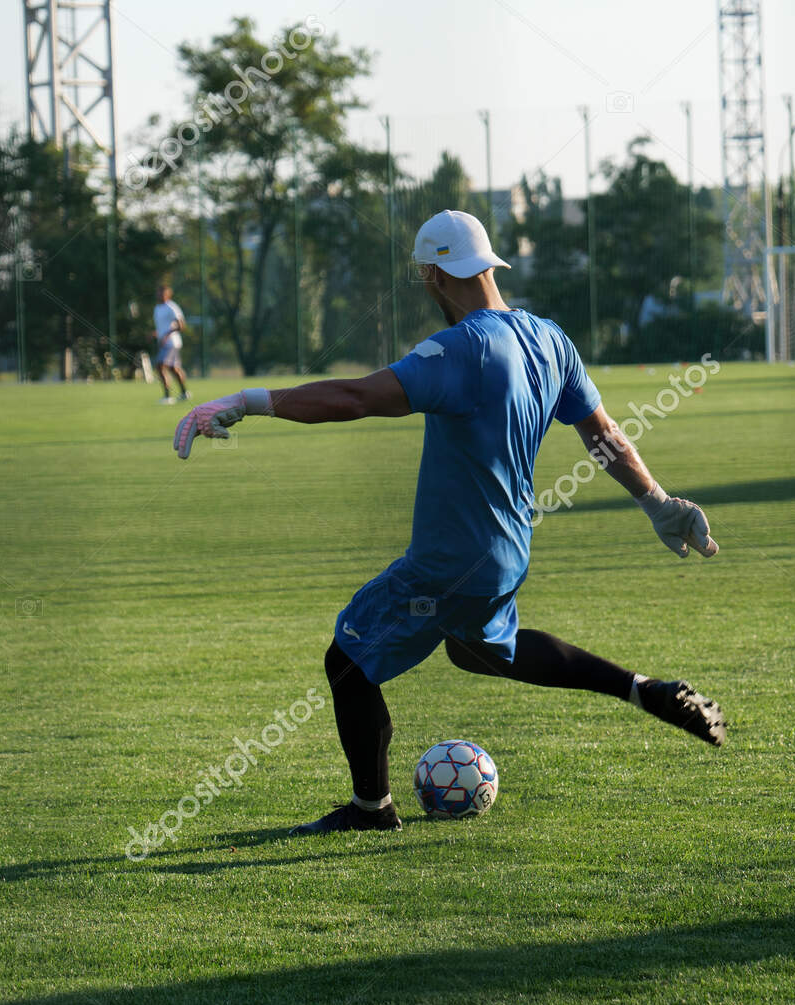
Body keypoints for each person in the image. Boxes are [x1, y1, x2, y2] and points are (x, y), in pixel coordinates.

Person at [173, 210, 724, 836]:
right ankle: (644, 690)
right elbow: (604, 436)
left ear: (435, 274)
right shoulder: (549, 339)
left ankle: (370, 811)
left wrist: (246, 402)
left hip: (448, 561)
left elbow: (356, 398)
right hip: (508, 551)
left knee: (348, 661)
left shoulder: (461, 348)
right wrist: (658, 502)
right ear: (489, 265)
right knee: (478, 650)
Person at [152, 286, 190, 404]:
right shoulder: (157, 308)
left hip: (171, 343)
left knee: (160, 365)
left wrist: (167, 335)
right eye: (158, 292)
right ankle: (184, 393)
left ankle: (167, 397)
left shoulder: (171, 306)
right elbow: (163, 327)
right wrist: (156, 334)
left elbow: (181, 325)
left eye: (162, 293)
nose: (160, 295)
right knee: (174, 368)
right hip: (164, 343)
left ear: (168, 294)